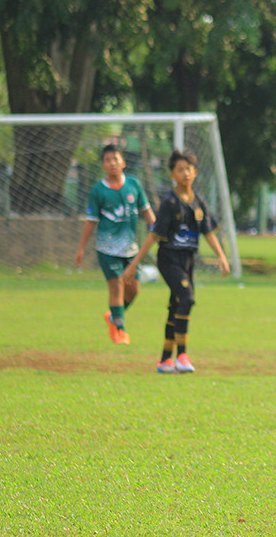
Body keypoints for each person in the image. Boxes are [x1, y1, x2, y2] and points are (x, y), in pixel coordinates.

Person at [122, 149, 230, 373]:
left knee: (176, 306)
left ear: (195, 172)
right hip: (169, 259)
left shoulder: (198, 202)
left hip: (188, 260)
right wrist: (134, 264)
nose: (185, 173)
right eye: (180, 170)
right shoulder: (169, 203)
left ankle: (164, 360)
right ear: (172, 174)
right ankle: (182, 355)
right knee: (187, 299)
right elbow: (154, 235)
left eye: (188, 169)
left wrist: (220, 255)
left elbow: (208, 231)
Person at [75, 144, 155, 345]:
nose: (112, 163)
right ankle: (120, 331)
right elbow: (91, 220)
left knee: (134, 290)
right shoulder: (98, 190)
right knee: (117, 286)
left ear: (123, 162)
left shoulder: (134, 185)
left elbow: (147, 213)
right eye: (108, 160)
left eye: (115, 159)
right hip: (107, 249)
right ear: (103, 165)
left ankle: (113, 317)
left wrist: (160, 231)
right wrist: (81, 248)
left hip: (131, 250)